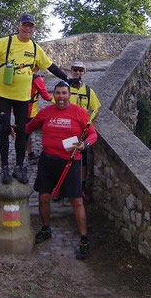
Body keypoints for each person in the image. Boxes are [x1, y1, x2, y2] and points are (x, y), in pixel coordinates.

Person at [0, 13, 77, 185]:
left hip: (23, 97)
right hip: (3, 95)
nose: (27, 28)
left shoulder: (34, 48)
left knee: (21, 131)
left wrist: (67, 79)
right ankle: (4, 167)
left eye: (31, 26)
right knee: (4, 129)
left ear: (34, 29)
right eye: (25, 25)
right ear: (19, 25)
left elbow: (50, 66)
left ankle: (19, 166)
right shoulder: (7, 42)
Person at [26, 81, 97, 260]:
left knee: (76, 201)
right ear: (54, 95)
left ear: (69, 95)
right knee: (43, 196)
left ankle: (84, 239)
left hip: (70, 162)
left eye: (64, 93)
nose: (61, 97)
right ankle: (45, 228)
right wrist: (14, 130)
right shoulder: (45, 112)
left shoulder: (79, 113)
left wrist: (85, 145)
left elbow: (92, 134)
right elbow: (29, 127)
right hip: (47, 160)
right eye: (58, 93)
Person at [68, 60, 101, 200]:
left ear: (85, 73)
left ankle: (80, 187)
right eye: (75, 69)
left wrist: (88, 122)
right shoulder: (65, 88)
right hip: (66, 129)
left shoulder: (88, 91)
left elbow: (96, 108)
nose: (78, 72)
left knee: (82, 160)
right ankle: (63, 185)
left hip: (82, 130)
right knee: (63, 157)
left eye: (81, 70)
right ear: (71, 71)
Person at [26, 66, 52, 161]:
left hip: (18, 109)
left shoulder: (19, 75)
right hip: (31, 111)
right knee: (43, 129)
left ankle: (29, 153)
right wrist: (56, 99)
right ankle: (47, 152)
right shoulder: (37, 78)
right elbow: (45, 95)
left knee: (25, 133)